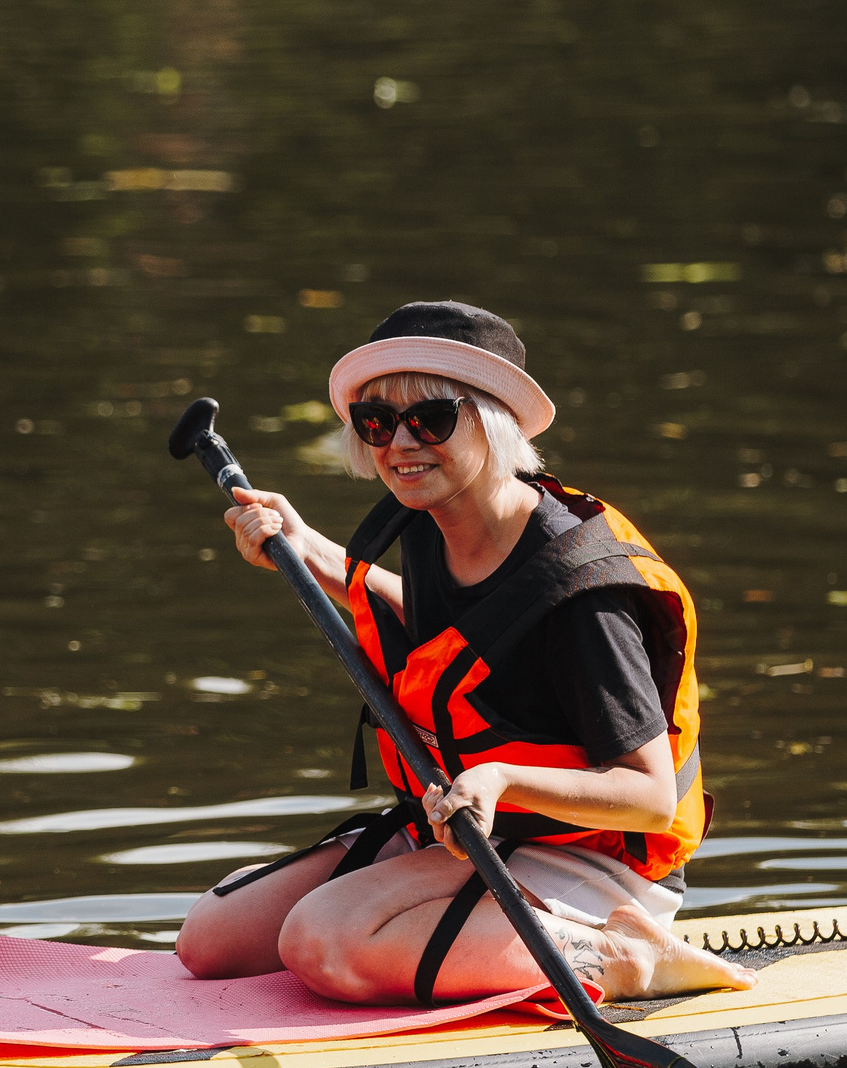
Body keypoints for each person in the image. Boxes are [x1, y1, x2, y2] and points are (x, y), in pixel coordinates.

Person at [175, 301, 756, 1007]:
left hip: (590, 857)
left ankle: (627, 952)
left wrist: (500, 779)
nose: (401, 443)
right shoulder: (430, 523)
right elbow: (465, 641)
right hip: (470, 831)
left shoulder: (584, 592)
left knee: (320, 941)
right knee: (210, 940)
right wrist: (310, 550)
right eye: (377, 421)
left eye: (431, 418)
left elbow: (652, 798)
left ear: (494, 420)